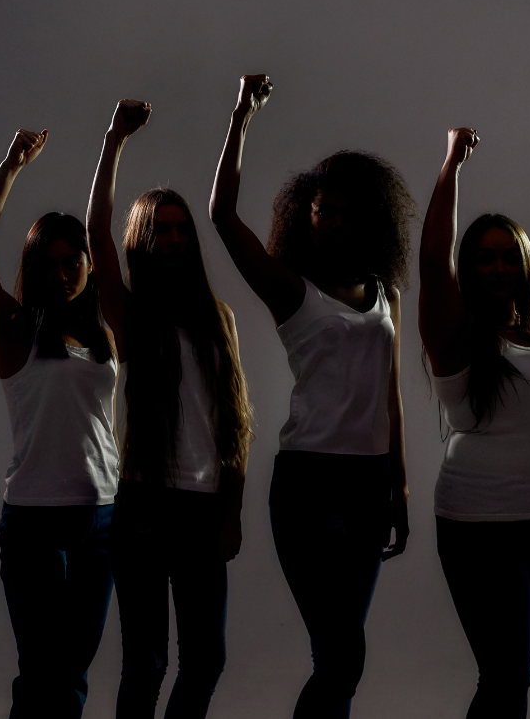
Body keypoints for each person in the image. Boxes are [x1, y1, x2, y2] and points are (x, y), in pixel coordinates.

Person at [209, 75, 415, 719]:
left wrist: (399, 491)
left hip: (369, 486)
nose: (334, 222)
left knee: (340, 664)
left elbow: (391, 396)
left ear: (368, 220)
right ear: (307, 214)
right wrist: (242, 114)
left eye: (348, 212)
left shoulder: (387, 294)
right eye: (324, 211)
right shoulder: (292, 290)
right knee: (343, 653)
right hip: (309, 486)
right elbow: (221, 216)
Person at [419, 127, 530, 718]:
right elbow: (431, 258)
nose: (498, 267)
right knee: (509, 678)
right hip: (481, 527)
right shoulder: (455, 337)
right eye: (485, 257)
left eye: (509, 256)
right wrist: (451, 166)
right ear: (469, 268)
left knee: (510, 675)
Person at [86, 99, 251, 719]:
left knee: (205, 659)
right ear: (144, 240)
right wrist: (114, 140)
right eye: (163, 229)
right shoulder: (132, 315)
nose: (175, 239)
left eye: (184, 229)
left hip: (205, 509)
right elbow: (96, 229)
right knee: (148, 662)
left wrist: (230, 513)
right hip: (145, 508)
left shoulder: (220, 321)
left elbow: (234, 424)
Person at [0, 130, 119, 719]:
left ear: (87, 263)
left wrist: (114, 141)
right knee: (41, 675)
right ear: (33, 267)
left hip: (103, 518)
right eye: (48, 263)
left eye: (72, 259)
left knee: (72, 676)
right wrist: (11, 165)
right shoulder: (15, 328)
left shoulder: (106, 333)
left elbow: (100, 426)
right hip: (34, 523)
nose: (62, 272)